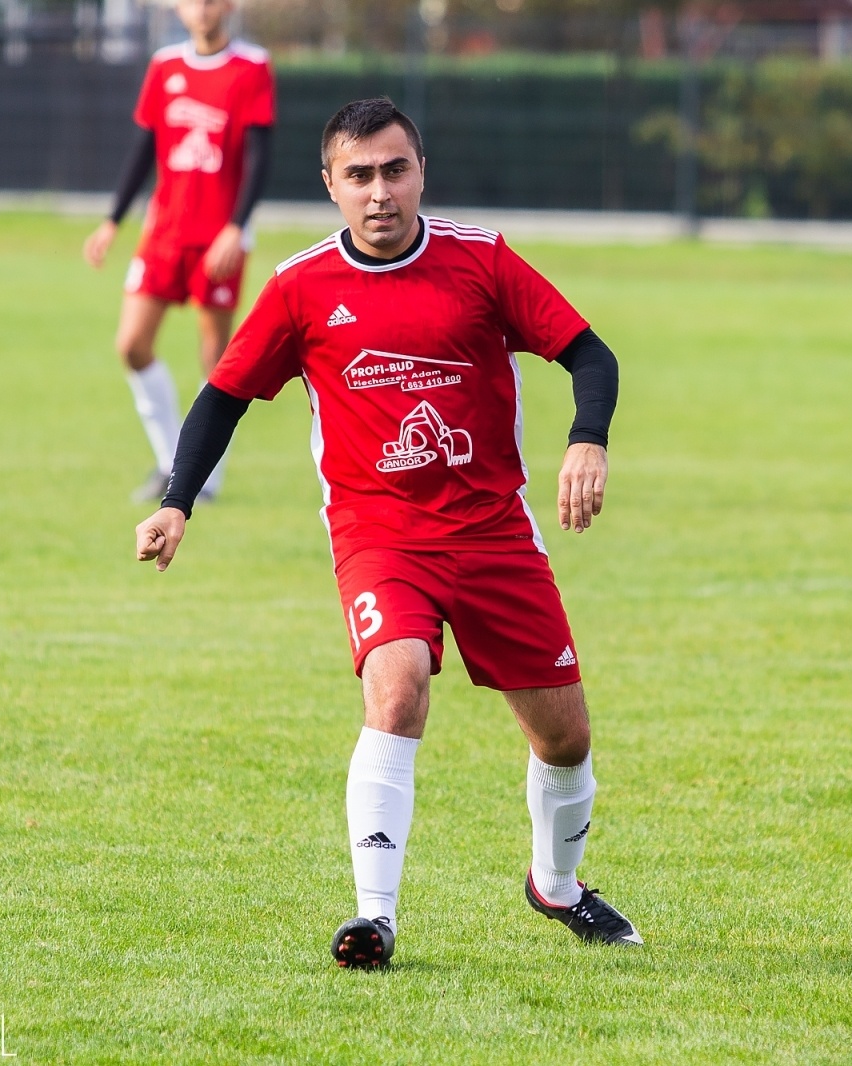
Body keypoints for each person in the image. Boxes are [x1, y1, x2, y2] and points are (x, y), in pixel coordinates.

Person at [134, 98, 638, 968]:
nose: (379, 192)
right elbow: (223, 395)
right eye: (359, 176)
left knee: (565, 739)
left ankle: (556, 887)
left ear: (420, 172)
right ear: (330, 185)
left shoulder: (479, 261)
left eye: (394, 170)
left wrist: (585, 439)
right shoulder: (300, 287)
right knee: (396, 689)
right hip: (380, 533)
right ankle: (376, 918)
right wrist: (179, 499)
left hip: (493, 532)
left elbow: (590, 354)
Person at [83, 0, 274, 504]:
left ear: (229, 7)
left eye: (213, 1)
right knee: (131, 345)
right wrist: (112, 221)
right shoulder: (165, 64)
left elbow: (259, 155)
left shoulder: (252, 66)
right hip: (163, 233)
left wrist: (237, 226)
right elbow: (145, 148)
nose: (203, 9)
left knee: (216, 357)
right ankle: (173, 461)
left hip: (219, 240)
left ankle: (204, 476)